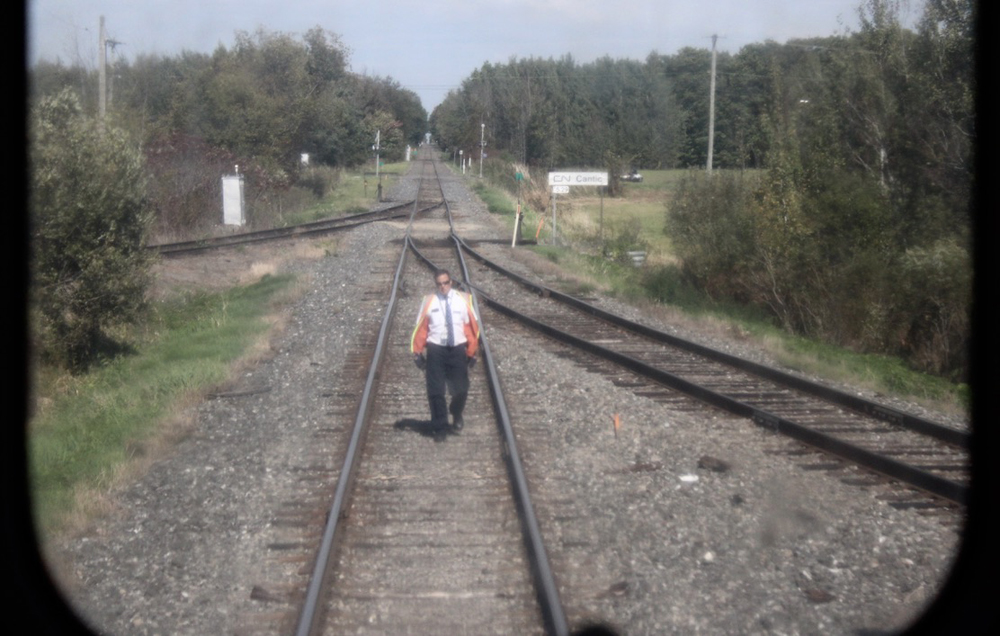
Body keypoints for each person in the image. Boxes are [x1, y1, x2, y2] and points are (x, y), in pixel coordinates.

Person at [411, 269, 480, 431]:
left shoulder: (463, 300)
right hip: (436, 349)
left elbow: (470, 328)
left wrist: (472, 351)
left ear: (451, 282)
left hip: (457, 349)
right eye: (439, 284)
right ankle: (439, 422)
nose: (443, 286)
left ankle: (456, 412)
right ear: (436, 284)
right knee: (435, 389)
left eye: (446, 283)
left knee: (461, 388)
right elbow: (421, 329)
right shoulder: (429, 301)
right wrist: (417, 351)